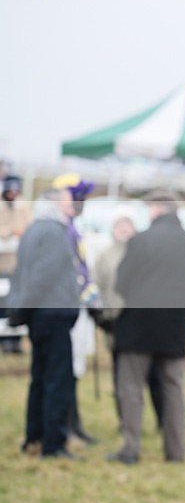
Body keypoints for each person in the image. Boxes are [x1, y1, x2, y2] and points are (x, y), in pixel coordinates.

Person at [108, 190, 185, 464]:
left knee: (131, 388)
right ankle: (176, 452)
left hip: (137, 326)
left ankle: (130, 449)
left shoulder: (141, 241)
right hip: (174, 327)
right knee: (174, 389)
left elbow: (121, 283)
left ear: (156, 209)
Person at [9, 188, 81, 459]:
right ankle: (53, 444)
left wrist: (22, 309)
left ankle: (34, 437)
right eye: (66, 204)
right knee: (56, 381)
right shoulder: (54, 232)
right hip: (53, 315)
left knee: (39, 378)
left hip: (39, 316)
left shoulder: (32, 230)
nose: (71, 209)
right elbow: (43, 276)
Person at [92, 208, 164, 431]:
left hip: (144, 324)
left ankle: (162, 419)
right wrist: (100, 315)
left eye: (127, 226)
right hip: (115, 323)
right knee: (120, 375)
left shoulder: (146, 252)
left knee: (154, 375)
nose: (123, 231)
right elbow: (98, 286)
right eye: (119, 227)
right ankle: (126, 421)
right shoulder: (105, 255)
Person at [52, 173, 99, 444]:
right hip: (69, 306)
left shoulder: (73, 226)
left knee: (76, 364)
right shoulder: (63, 228)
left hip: (80, 305)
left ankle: (74, 423)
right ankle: (67, 425)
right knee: (68, 366)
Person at [0, 174, 33, 354]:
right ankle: (4, 340)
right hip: (2, 264)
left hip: (19, 265)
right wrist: (12, 231)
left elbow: (29, 227)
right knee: (2, 302)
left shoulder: (24, 206)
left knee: (17, 301)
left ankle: (16, 339)